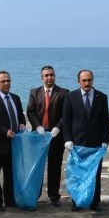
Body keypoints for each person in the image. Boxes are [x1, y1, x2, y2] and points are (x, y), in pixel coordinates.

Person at [62, 70, 109, 212]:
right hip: (77, 143)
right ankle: (77, 202)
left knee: (95, 174)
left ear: (93, 80)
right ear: (79, 81)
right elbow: (66, 120)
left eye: (89, 80)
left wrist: (105, 140)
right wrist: (68, 139)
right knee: (77, 174)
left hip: (96, 144)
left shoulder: (102, 97)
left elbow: (105, 121)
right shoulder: (71, 97)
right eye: (84, 80)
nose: (87, 83)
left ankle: (95, 203)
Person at [26, 65, 69, 207]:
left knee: (54, 167)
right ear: (42, 77)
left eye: (51, 75)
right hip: (38, 136)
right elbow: (30, 111)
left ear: (55, 76)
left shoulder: (63, 92)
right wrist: (37, 126)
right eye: (46, 75)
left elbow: (66, 114)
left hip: (55, 136)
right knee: (37, 167)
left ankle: (54, 196)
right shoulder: (34, 92)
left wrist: (58, 127)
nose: (49, 77)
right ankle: (35, 194)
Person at [0, 71, 26, 210]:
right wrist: (4, 131)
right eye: (3, 81)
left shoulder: (16, 98)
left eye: (8, 81)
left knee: (11, 175)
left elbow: (20, 115)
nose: (6, 83)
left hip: (14, 144)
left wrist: (22, 123)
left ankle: (10, 200)